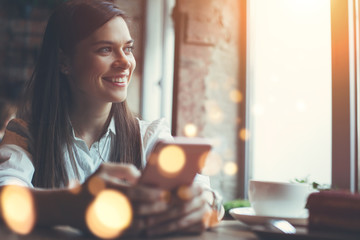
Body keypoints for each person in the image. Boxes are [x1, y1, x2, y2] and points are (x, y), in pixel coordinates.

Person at [0, 0, 224, 237]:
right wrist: (76, 205)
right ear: (64, 62)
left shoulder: (149, 137)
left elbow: (203, 194)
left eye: (127, 48)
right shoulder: (25, 135)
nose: (125, 62)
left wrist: (205, 201)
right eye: (105, 49)